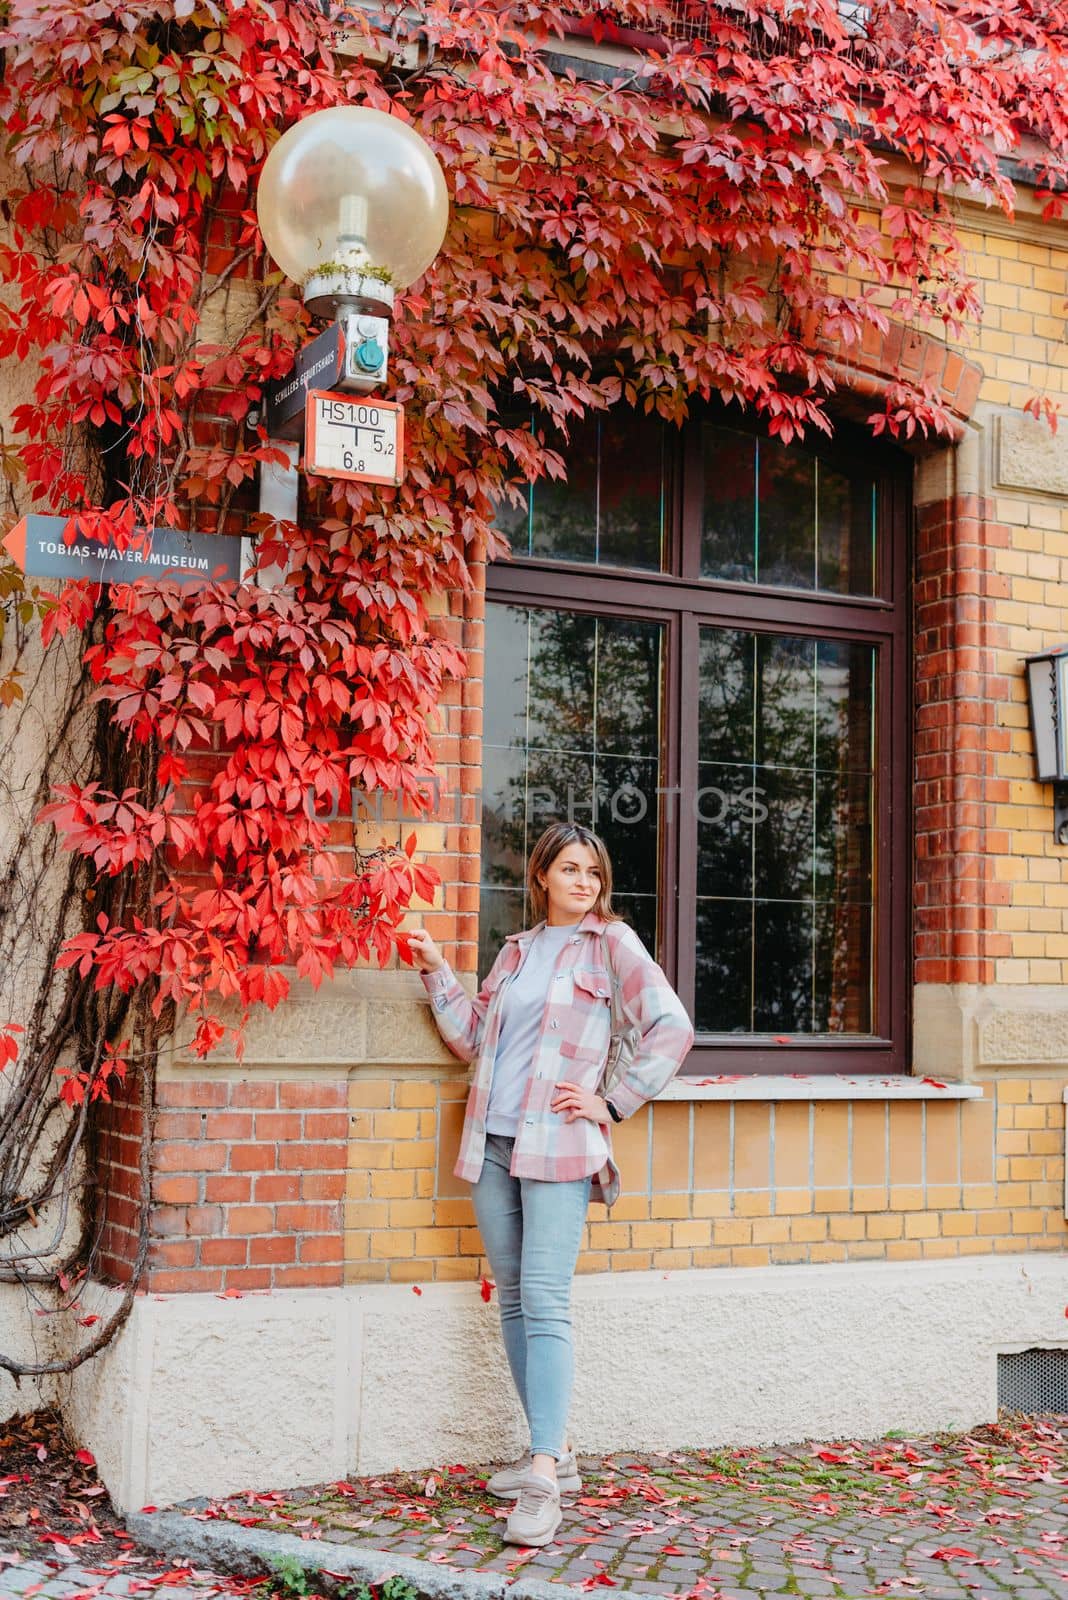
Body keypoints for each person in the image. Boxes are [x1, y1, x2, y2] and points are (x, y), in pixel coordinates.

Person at [406, 821, 694, 1548]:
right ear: (541, 877)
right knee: (514, 1300)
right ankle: (554, 1452)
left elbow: (671, 1026)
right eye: (569, 869)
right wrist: (439, 970)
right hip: (494, 1142)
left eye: (592, 872)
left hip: (562, 1144)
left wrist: (613, 1100)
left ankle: (540, 1478)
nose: (583, 883)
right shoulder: (516, 952)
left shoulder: (614, 946)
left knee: (546, 1300)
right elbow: (473, 1039)